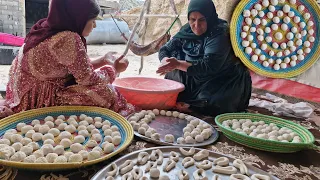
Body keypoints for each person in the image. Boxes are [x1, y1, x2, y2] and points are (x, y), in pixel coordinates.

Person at [0, 0, 135, 118]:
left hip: (23, 91)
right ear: (78, 17)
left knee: (102, 87)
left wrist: (104, 59)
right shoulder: (67, 38)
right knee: (105, 92)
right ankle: (41, 111)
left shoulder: (48, 27)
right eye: (92, 21)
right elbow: (88, 79)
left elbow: (79, 68)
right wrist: (114, 70)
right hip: (36, 98)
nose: (94, 26)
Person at [156, 0, 252, 116]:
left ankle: (193, 106)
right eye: (192, 19)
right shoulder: (186, 30)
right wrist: (166, 62)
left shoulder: (220, 33)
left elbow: (209, 66)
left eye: (201, 19)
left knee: (216, 101)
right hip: (195, 74)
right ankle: (191, 101)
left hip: (220, 78)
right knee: (172, 76)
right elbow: (165, 49)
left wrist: (177, 64)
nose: (196, 25)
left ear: (209, 18)